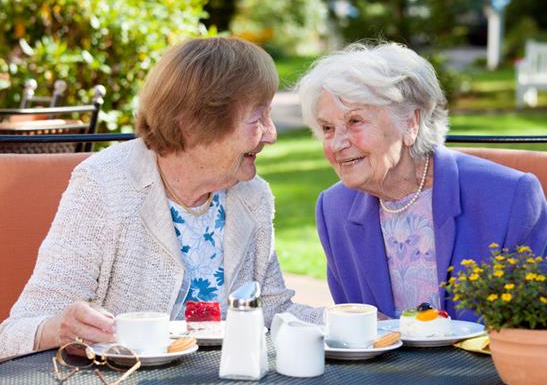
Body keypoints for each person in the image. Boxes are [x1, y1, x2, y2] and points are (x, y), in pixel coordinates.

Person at [0, 37, 322, 360]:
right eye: (257, 118)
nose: (272, 134)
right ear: (194, 125)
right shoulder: (104, 186)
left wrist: (366, 327)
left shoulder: (252, 196)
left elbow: (274, 311)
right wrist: (61, 328)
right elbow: (16, 332)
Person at [297, 42, 547, 321]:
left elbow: (541, 320)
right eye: (327, 128)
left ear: (410, 123)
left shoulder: (509, 196)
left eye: (355, 121)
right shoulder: (334, 209)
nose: (337, 143)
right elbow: (355, 324)